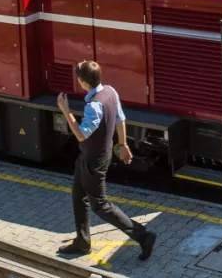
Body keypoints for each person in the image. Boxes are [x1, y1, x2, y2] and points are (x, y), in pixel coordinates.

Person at [55, 60, 156, 261]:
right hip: (95, 155)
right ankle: (82, 241)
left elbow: (82, 135)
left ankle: (143, 236)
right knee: (78, 195)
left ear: (83, 82)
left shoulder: (94, 106)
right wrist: (123, 144)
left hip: (93, 160)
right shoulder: (110, 91)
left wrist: (65, 111)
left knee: (100, 205)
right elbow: (120, 118)